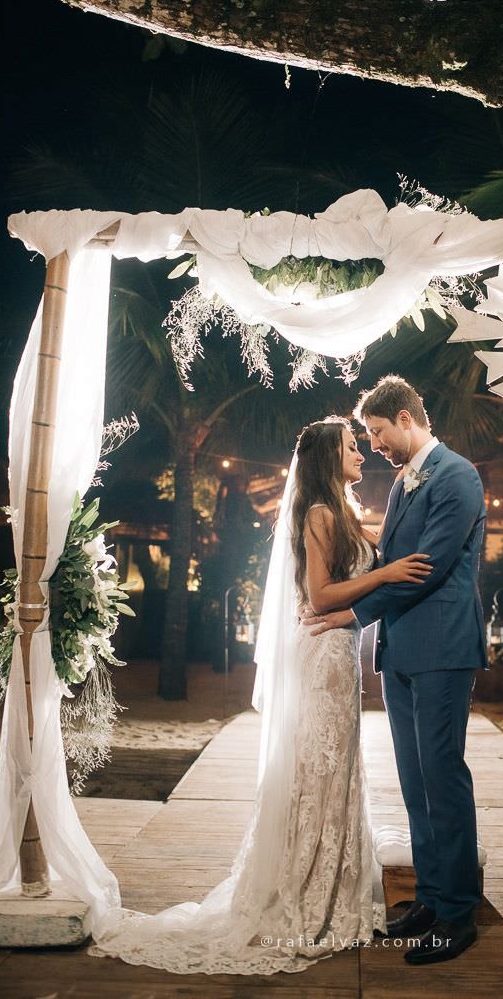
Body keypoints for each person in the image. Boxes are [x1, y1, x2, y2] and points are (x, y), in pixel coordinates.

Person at [90, 416, 431, 975]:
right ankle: (305, 895)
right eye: (352, 447)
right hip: (322, 652)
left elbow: (377, 555)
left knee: (337, 767)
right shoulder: (318, 514)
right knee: (318, 767)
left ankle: (332, 892)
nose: (361, 454)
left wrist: (390, 555)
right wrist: (385, 574)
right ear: (328, 457)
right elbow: (319, 596)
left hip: (340, 653)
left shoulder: (342, 511)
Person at [310, 377, 487, 966]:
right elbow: (390, 560)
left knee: (443, 777)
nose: (375, 445)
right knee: (414, 781)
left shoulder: (457, 476)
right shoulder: (404, 481)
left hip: (442, 649)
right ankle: (430, 898)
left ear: (406, 418)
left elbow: (426, 568)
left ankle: (458, 912)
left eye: (378, 432)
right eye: (368, 436)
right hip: (402, 651)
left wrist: (354, 613)